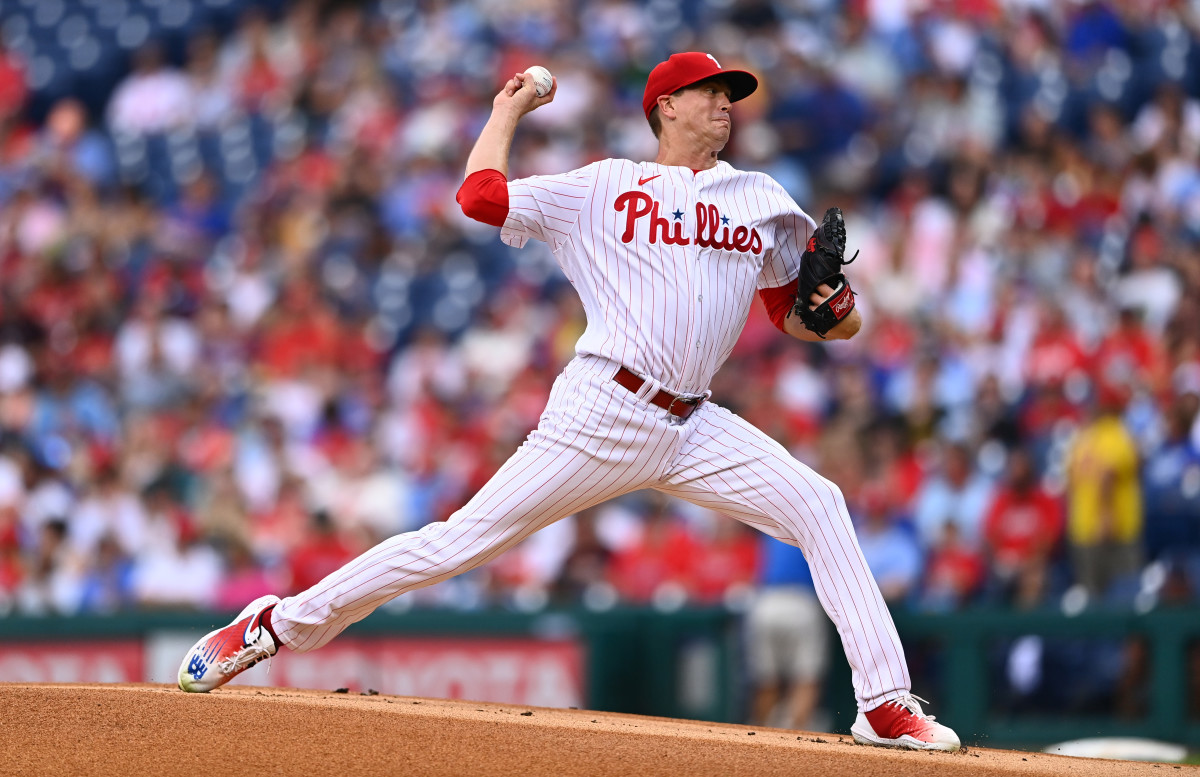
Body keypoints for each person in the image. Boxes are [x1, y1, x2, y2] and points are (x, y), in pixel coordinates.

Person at [177, 52, 960, 752]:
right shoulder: (603, 186)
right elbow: (480, 197)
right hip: (601, 410)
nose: (726, 103)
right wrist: (506, 112)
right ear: (665, 108)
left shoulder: (761, 198)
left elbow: (806, 316)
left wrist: (834, 305)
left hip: (694, 423)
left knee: (819, 503)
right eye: (710, 91)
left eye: (731, 93)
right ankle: (274, 624)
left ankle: (884, 703)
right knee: (455, 545)